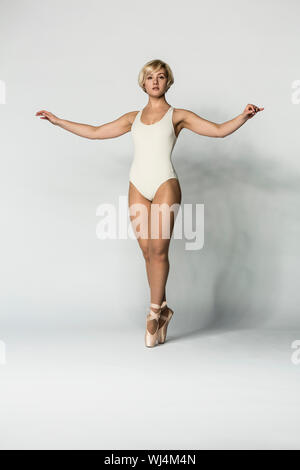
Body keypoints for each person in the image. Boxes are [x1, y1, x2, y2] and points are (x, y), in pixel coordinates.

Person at [35, 59, 264, 348]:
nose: (155, 81)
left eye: (161, 77)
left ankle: (154, 313)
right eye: (150, 77)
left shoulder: (178, 115)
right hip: (137, 186)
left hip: (165, 183)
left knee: (158, 250)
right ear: (142, 83)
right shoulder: (132, 118)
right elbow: (94, 132)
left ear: (169, 82)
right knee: (147, 252)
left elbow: (218, 130)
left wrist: (244, 116)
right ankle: (165, 308)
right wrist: (58, 121)